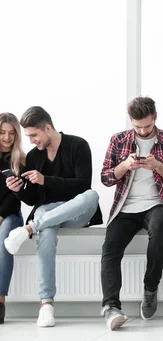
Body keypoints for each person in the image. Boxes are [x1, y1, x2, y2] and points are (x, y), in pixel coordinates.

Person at [4, 106, 102, 327]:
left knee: (92, 195)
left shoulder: (78, 145)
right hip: (47, 212)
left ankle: (28, 229)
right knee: (46, 231)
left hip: (75, 211)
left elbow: (82, 184)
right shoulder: (33, 156)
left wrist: (45, 179)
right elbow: (32, 198)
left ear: (47, 128)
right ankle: (46, 305)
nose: (31, 141)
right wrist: (17, 189)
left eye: (34, 135)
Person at [99, 97, 163, 331]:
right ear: (131, 121)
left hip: (157, 204)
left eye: (147, 126)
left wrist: (158, 166)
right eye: (137, 126)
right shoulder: (118, 140)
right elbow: (106, 178)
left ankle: (150, 289)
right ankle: (111, 307)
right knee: (110, 246)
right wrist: (124, 166)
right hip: (125, 207)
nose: (142, 131)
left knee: (159, 230)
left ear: (155, 117)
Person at [0, 113, 25, 324]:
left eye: (11, 133)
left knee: (3, 239)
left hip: (10, 214)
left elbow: (15, 197)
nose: (7, 137)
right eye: (2, 132)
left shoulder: (21, 159)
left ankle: (0, 301)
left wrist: (0, 215)